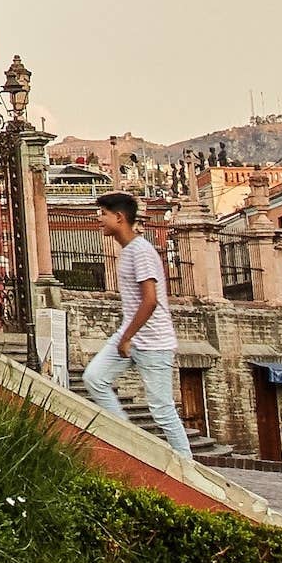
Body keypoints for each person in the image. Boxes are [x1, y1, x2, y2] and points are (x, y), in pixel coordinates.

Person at [80, 192, 193, 462]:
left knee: (162, 410)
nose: (99, 220)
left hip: (154, 341)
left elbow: (151, 300)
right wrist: (126, 335)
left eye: (103, 215)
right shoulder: (128, 251)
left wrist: (126, 337)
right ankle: (130, 440)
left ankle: (189, 467)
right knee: (94, 378)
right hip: (132, 334)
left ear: (119, 218)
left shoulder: (140, 252)